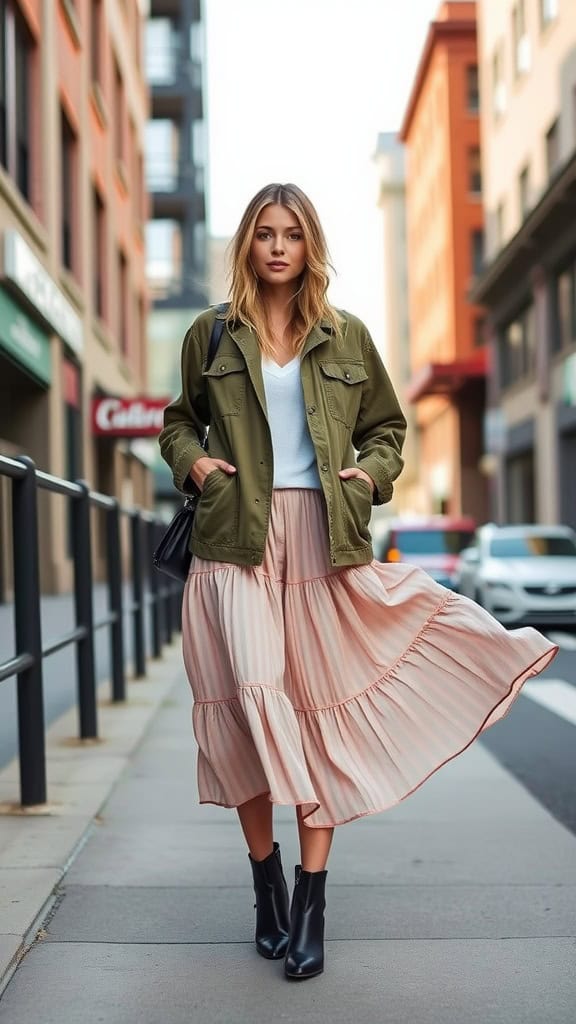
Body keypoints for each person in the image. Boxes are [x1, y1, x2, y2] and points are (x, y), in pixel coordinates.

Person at [158, 182, 558, 981]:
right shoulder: (210, 333)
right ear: (248, 244)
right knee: (242, 714)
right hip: (232, 542)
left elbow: (389, 430)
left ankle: (311, 898)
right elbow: (178, 420)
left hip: (319, 539)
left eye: (293, 234)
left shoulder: (347, 337)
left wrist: (369, 480)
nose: (278, 246)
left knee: (310, 717)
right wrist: (193, 462)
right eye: (266, 233)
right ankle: (265, 884)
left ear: (310, 247)